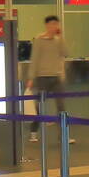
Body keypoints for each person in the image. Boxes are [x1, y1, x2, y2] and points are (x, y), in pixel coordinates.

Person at [27, 15, 73, 144]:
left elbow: (66, 53)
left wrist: (62, 37)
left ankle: (63, 135)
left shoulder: (58, 40)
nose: (54, 27)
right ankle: (33, 131)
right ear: (47, 25)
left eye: (56, 24)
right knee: (40, 106)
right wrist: (31, 77)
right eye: (52, 24)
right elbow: (34, 59)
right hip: (42, 77)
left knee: (61, 107)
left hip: (56, 77)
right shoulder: (39, 39)